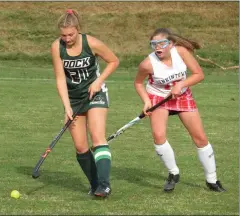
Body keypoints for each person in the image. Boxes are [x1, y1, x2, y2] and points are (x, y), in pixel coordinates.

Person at [134, 28, 226, 192]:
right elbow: (138, 83)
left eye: (161, 43)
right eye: (153, 44)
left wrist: (181, 84)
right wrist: (146, 101)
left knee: (200, 137)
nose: (157, 47)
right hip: (158, 97)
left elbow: (199, 74)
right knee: (158, 136)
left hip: (182, 95)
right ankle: (173, 173)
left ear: (171, 44)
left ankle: (212, 180)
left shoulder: (181, 52)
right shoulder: (147, 64)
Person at [51, 9, 119, 198]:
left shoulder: (91, 43)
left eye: (71, 34)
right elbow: (60, 79)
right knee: (81, 147)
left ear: (78, 29)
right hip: (73, 98)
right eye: (63, 35)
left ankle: (104, 185)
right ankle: (95, 184)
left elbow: (114, 61)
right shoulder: (57, 47)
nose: (67, 39)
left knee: (97, 138)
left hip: (95, 94)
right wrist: (67, 107)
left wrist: (99, 81)